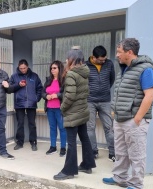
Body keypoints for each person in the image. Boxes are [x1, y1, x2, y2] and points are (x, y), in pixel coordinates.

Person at [103, 38, 153, 189]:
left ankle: (136, 184)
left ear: (129, 52)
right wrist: (114, 112)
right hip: (120, 118)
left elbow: (149, 95)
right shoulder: (123, 69)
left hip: (134, 119)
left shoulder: (146, 69)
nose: (117, 55)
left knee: (136, 153)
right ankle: (120, 177)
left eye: (119, 52)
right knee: (121, 151)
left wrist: (138, 119)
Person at [53, 48, 96, 180]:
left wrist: (62, 108)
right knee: (84, 138)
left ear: (72, 60)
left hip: (73, 113)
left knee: (71, 143)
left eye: (67, 58)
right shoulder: (84, 73)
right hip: (82, 111)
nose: (66, 60)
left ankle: (69, 171)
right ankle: (87, 164)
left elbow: (70, 96)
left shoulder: (71, 74)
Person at [85, 45, 116, 161]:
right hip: (90, 101)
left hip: (105, 101)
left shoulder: (109, 64)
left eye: (104, 59)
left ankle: (112, 153)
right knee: (90, 127)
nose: (103, 61)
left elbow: (111, 79)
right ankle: (93, 151)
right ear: (93, 57)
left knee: (109, 127)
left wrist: (105, 89)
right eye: (101, 60)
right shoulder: (85, 65)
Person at [8, 59, 43, 151]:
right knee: (20, 124)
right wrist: (18, 85)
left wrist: (36, 98)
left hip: (32, 103)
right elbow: (9, 89)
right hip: (19, 103)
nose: (22, 70)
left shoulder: (34, 76)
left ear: (27, 67)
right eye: (21, 68)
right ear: (18, 67)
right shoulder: (14, 76)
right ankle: (20, 142)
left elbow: (40, 88)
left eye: (24, 68)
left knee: (32, 124)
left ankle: (33, 142)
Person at [42, 60, 67, 157]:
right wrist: (46, 96)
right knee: (52, 128)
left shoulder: (64, 80)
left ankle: (63, 148)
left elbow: (66, 93)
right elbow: (43, 92)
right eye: (51, 68)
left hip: (60, 108)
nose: (52, 70)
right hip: (49, 108)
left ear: (60, 69)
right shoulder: (48, 80)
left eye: (54, 68)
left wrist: (57, 95)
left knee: (62, 128)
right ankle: (53, 147)